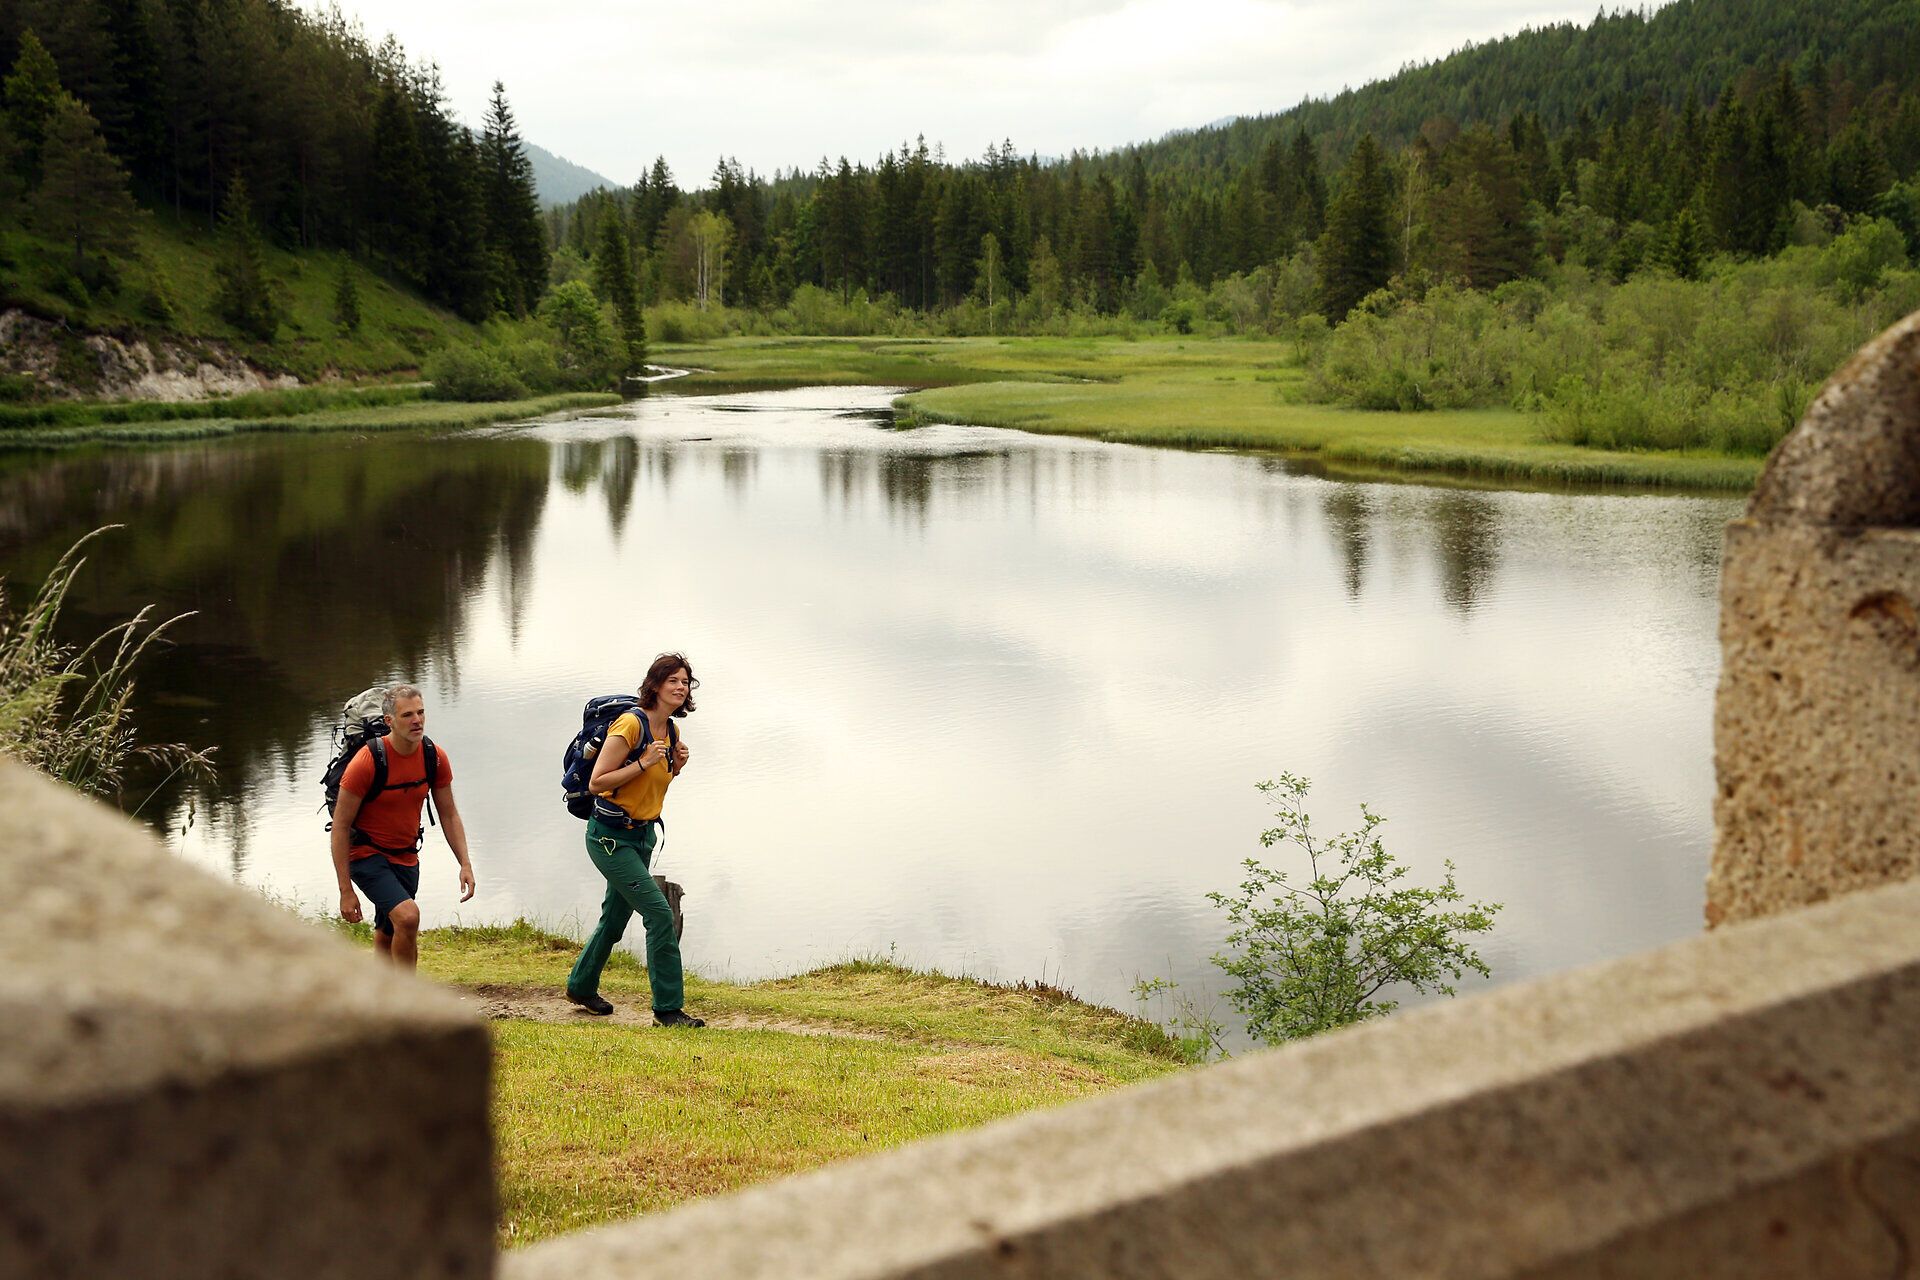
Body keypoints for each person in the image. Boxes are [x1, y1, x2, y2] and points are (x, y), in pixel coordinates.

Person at [566, 653, 703, 1026]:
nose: (680, 687)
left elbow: (650, 787)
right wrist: (642, 761)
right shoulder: (630, 725)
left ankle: (580, 985)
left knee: (614, 919)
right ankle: (668, 1009)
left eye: (685, 681)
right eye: (673, 680)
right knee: (659, 913)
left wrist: (676, 766)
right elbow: (597, 782)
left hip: (641, 837)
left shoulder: (671, 731)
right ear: (655, 685)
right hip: (609, 839)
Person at [331, 684, 475, 970]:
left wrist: (465, 863)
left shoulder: (434, 757)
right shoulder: (367, 761)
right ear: (389, 722)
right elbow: (340, 826)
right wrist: (345, 889)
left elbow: (449, 814)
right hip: (365, 854)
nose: (417, 720)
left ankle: (383, 1000)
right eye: (407, 715)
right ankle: (409, 1001)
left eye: (421, 712)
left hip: (407, 855)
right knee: (408, 917)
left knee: (388, 932)